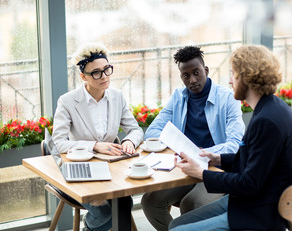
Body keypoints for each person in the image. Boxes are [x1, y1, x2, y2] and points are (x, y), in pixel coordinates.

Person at [169, 45, 292, 231]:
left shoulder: (267, 121)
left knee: (176, 230)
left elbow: (249, 184)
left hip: (258, 212)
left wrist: (201, 173)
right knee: (175, 224)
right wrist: (217, 158)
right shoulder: (270, 108)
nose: (230, 81)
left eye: (234, 74)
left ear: (246, 77)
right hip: (250, 202)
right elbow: (254, 159)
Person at [141, 46, 245, 231]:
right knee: (150, 201)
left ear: (205, 70)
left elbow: (235, 145)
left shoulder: (228, 99)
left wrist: (199, 153)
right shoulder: (178, 97)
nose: (192, 80)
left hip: (217, 169)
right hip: (187, 167)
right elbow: (153, 130)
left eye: (196, 73)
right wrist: (178, 147)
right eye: (186, 76)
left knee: (191, 205)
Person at [52, 43, 143, 231]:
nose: (104, 77)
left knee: (124, 204)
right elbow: (59, 143)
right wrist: (94, 146)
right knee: (105, 215)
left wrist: (128, 141)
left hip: (111, 170)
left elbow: (135, 130)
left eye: (107, 70)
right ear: (83, 76)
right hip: (78, 169)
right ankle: (89, 228)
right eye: (96, 73)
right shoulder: (67, 101)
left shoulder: (117, 96)